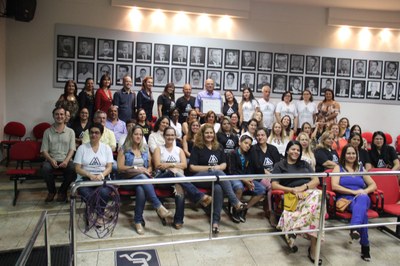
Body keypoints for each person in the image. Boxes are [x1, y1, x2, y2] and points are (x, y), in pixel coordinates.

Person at [271, 140, 323, 264]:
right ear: (287, 150)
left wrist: (303, 187)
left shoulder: (305, 164)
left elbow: (316, 181)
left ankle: (296, 225)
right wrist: (293, 190)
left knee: (318, 194)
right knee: (318, 211)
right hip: (291, 195)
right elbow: (274, 185)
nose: (296, 152)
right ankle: (313, 249)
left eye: (298, 150)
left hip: (308, 192)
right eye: (293, 149)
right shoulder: (280, 165)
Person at [189, 124, 246, 234]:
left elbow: (224, 164)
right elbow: (192, 167)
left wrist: (217, 169)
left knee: (218, 188)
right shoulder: (197, 147)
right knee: (218, 172)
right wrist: (211, 168)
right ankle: (235, 202)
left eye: (211, 133)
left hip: (216, 178)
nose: (209, 135)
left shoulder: (218, 146)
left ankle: (215, 222)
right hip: (200, 177)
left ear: (214, 134)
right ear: (202, 134)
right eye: (207, 133)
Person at [117, 126, 173, 235]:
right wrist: (137, 169)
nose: (138, 136)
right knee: (142, 176)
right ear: (131, 135)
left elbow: (151, 167)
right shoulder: (124, 149)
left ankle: (137, 221)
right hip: (127, 179)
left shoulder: (145, 149)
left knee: (141, 189)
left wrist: (147, 169)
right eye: (136, 134)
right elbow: (120, 168)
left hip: (141, 181)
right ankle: (158, 206)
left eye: (140, 135)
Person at [153, 127, 212, 229]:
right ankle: (200, 196)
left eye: (172, 135)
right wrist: (174, 166)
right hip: (162, 178)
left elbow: (184, 165)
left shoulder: (179, 150)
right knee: (174, 171)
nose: (170, 137)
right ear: (164, 136)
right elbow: (158, 165)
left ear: (175, 136)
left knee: (180, 189)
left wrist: (168, 165)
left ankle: (178, 220)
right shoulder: (159, 149)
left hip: (178, 179)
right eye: (168, 135)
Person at [332, 144, 377, 261]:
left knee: (362, 199)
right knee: (363, 214)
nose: (351, 156)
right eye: (348, 153)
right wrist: (353, 192)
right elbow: (334, 186)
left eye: (353, 153)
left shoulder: (361, 168)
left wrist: (363, 191)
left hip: (362, 198)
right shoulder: (338, 168)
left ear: (356, 155)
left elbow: (373, 185)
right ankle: (365, 246)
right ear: (344, 155)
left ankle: (354, 227)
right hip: (346, 200)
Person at [74, 123, 114, 226]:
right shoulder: (82, 148)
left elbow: (109, 167)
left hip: (102, 178)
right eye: (91, 132)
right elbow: (77, 168)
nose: (94, 135)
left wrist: (101, 176)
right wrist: (89, 175)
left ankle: (98, 214)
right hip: (85, 179)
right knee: (88, 193)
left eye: (97, 133)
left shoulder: (106, 148)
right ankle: (101, 211)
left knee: (104, 192)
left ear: (101, 134)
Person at [40, 107, 76, 202]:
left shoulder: (71, 132)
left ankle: (62, 192)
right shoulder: (47, 132)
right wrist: (51, 160)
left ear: (65, 117)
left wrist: (66, 161)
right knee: (45, 168)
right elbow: (44, 150)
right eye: (57, 114)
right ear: (53, 116)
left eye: (61, 114)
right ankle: (52, 191)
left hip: (66, 160)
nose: (59, 116)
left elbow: (72, 149)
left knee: (73, 169)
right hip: (51, 159)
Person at [228, 135, 265, 223]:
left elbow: (253, 169)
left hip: (246, 177)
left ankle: (244, 209)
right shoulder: (232, 153)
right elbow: (231, 171)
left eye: (249, 145)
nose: (247, 146)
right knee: (239, 186)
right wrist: (244, 180)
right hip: (234, 177)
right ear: (240, 142)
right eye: (245, 143)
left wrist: (249, 180)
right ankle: (235, 208)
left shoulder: (249, 154)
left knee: (262, 190)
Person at [252, 128, 281, 225]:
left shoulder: (273, 148)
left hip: (273, 174)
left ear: (267, 136)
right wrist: (267, 173)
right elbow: (256, 165)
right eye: (258, 135)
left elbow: (278, 164)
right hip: (259, 175)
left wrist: (274, 174)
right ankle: (270, 212)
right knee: (271, 186)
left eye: (262, 135)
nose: (260, 137)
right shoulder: (253, 149)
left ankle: (277, 210)